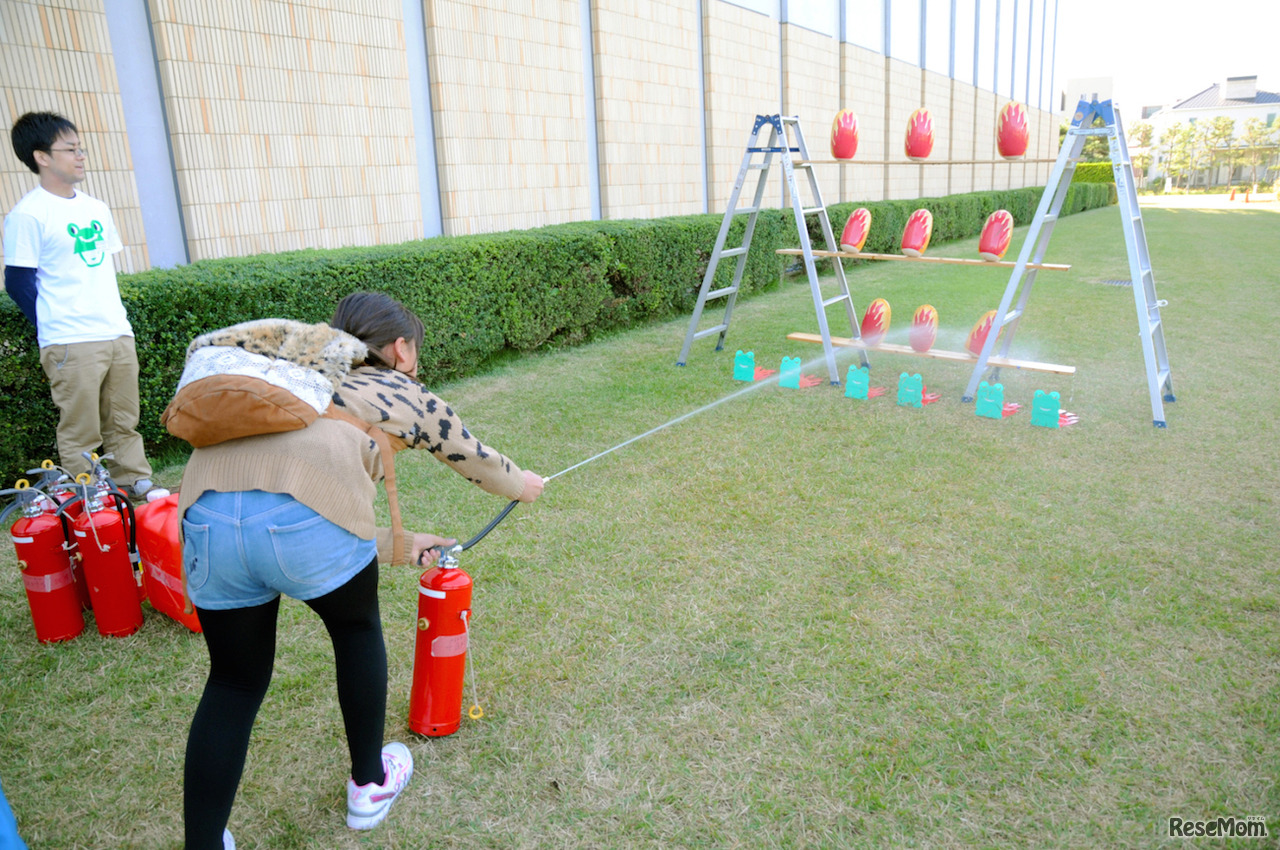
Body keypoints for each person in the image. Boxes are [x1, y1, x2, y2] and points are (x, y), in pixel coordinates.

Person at [178, 292, 544, 849]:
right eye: (414, 349)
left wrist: (400, 544)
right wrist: (523, 485)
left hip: (202, 512)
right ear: (400, 347)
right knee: (355, 630)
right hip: (301, 522)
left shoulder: (289, 372)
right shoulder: (399, 388)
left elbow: (273, 505)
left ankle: (203, 844)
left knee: (232, 681)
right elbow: (473, 457)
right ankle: (369, 787)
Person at [2, 111, 162, 498]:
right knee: (81, 426)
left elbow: (99, 270)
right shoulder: (28, 214)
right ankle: (88, 488)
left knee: (124, 418)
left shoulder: (96, 208)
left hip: (114, 330)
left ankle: (133, 477)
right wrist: (52, 325)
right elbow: (18, 282)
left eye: (80, 148)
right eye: (70, 149)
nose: (80, 156)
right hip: (70, 338)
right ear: (42, 156)